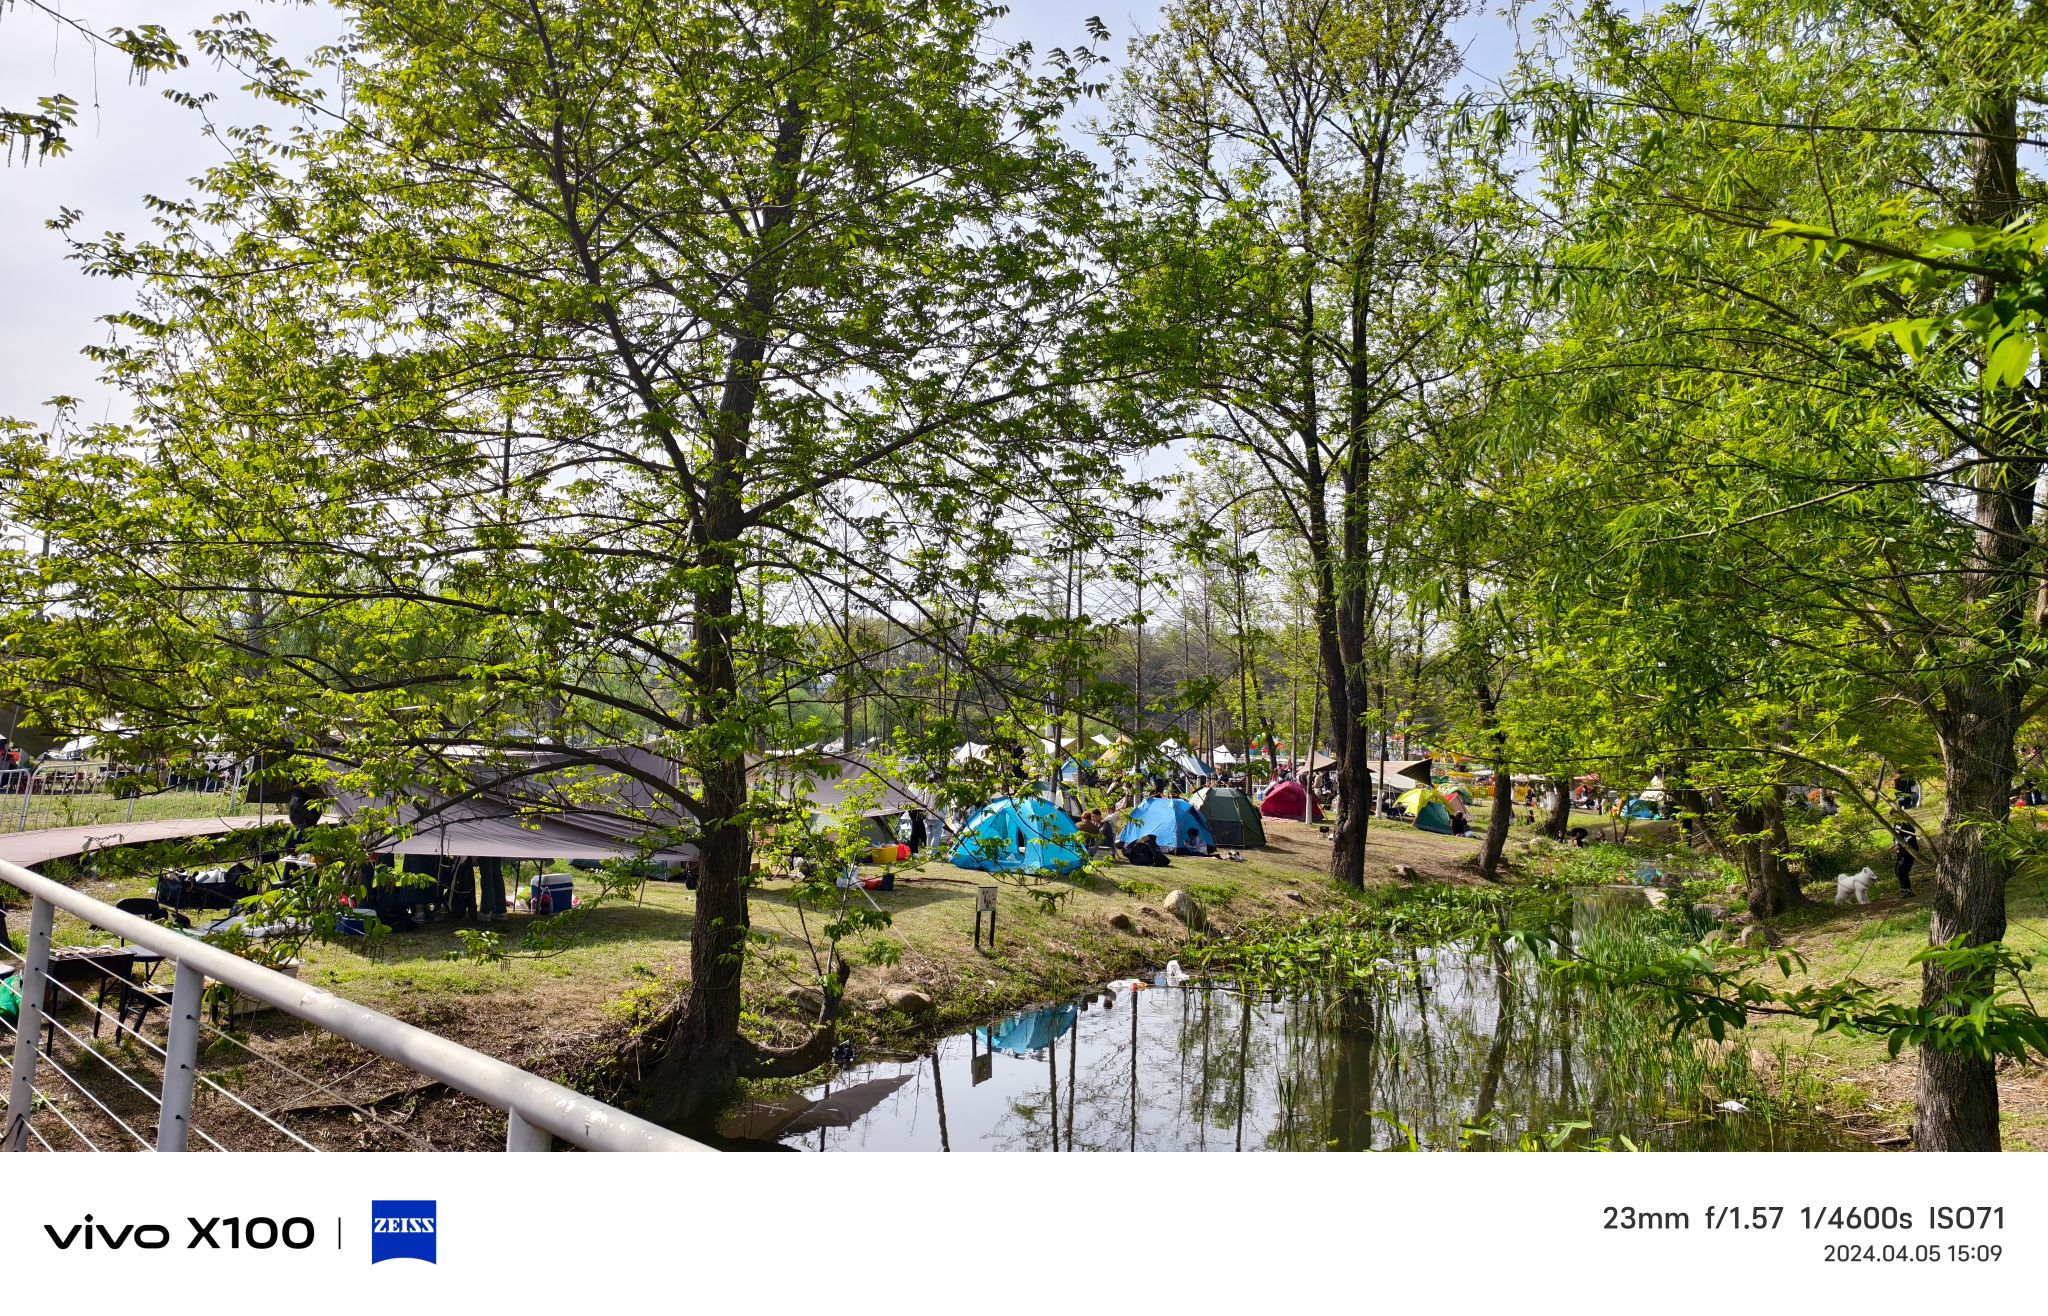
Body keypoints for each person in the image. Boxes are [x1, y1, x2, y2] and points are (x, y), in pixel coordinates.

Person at [1890, 815, 1922, 897]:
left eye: (1894, 816)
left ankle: (1908, 891)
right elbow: (1896, 837)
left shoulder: (1907, 825)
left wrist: (1899, 846)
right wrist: (1894, 846)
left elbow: (1910, 838)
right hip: (1900, 852)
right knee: (1898, 871)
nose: (1893, 818)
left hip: (1909, 852)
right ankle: (1905, 889)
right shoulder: (1895, 825)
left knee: (1901, 870)